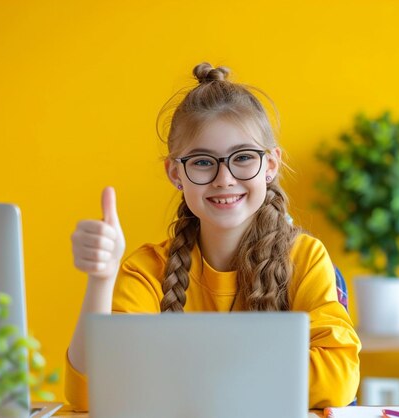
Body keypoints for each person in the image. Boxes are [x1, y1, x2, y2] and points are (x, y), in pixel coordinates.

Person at [65, 62, 361, 410]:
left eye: (243, 158)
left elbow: (339, 378)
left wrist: (184, 378)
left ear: (270, 166)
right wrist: (101, 279)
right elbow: (89, 395)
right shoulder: (146, 270)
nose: (224, 179)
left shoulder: (305, 258)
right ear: (176, 173)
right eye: (203, 162)